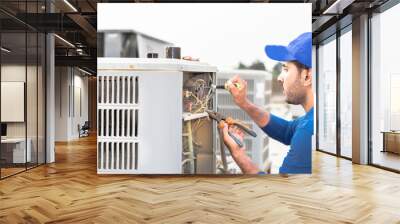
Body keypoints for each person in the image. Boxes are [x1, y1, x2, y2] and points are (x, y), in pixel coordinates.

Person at [220, 32, 313, 174]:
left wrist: (238, 153)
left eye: (286, 69)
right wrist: (244, 103)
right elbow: (286, 131)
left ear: (307, 76)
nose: (280, 78)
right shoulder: (311, 119)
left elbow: (279, 192)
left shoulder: (308, 131)